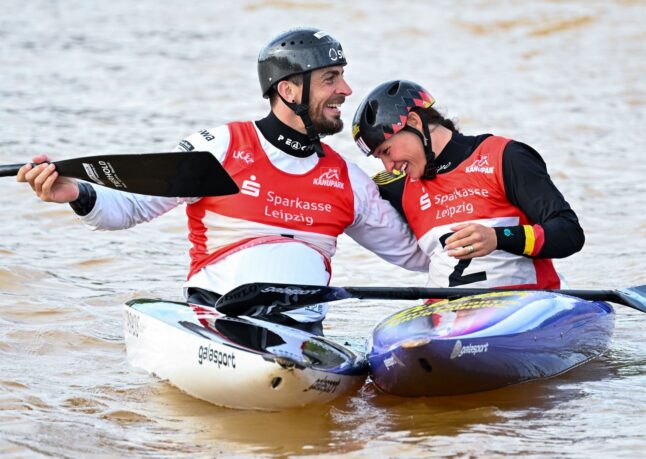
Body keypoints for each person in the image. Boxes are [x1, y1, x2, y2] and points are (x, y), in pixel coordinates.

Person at [16, 29, 429, 334]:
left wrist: (469, 220)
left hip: (299, 337)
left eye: (342, 77)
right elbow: (132, 208)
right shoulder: (221, 147)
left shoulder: (348, 179)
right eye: (331, 79)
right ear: (288, 89)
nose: (346, 89)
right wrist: (77, 193)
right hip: (217, 324)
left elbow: (413, 254)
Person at [352, 80, 584, 290]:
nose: (388, 166)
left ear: (414, 122)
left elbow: (569, 233)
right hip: (446, 314)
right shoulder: (397, 187)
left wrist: (499, 237)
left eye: (387, 151)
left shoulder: (504, 156)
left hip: (523, 306)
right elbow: (336, 194)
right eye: (379, 158)